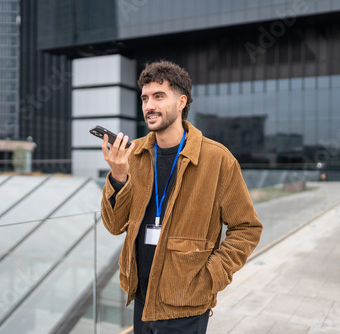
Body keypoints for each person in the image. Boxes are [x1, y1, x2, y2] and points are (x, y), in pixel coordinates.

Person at [100, 60, 262, 334]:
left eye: (159, 96)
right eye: (145, 98)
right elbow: (114, 225)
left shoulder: (217, 159)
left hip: (187, 307)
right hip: (141, 299)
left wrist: (210, 277)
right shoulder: (134, 154)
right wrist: (118, 176)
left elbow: (247, 229)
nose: (149, 106)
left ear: (181, 102)